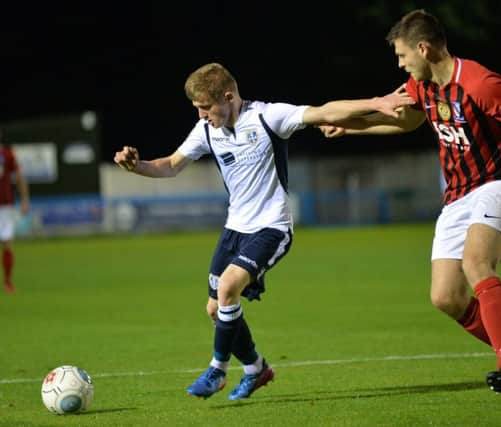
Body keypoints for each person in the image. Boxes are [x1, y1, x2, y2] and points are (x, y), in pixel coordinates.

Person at [319, 9, 501, 402]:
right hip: (458, 193)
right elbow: (407, 122)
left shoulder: (481, 83)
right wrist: (351, 127)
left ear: (423, 48)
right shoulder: (423, 86)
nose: (400, 63)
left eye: (402, 55)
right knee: (445, 297)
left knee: (476, 263)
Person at [114, 62, 403, 400]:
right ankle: (256, 369)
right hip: (234, 229)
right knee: (215, 308)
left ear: (228, 96)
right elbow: (171, 166)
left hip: (271, 227)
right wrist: (138, 166)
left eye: (206, 107)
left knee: (228, 287)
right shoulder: (207, 131)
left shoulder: (268, 117)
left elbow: (324, 111)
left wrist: (376, 102)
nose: (201, 116)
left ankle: (217, 369)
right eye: (197, 109)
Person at [0, 129, 30, 293]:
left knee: (7, 243)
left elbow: (19, 177)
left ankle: (7, 282)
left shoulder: (6, 154)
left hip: (4, 205)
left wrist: (24, 199)